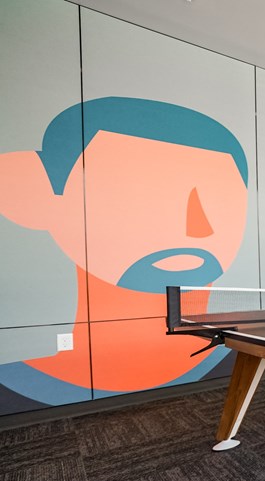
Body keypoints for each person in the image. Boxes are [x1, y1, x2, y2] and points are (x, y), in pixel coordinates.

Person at [0, 97, 249, 405]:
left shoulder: (243, 357)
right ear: (37, 196)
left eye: (220, 202)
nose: (198, 227)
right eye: (148, 197)